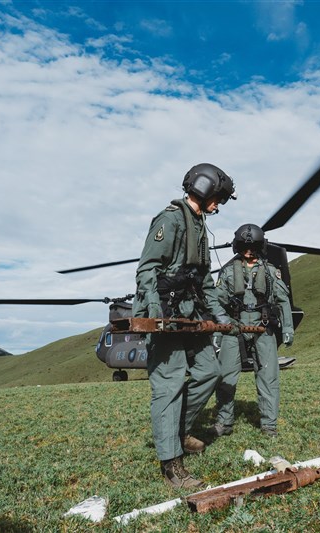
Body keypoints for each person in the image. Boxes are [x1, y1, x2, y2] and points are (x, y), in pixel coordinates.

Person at [133, 163, 237, 489]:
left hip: (189, 314)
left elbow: (203, 278)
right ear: (204, 189)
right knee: (170, 383)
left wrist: (219, 315)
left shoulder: (199, 225)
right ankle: (171, 465)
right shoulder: (170, 220)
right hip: (164, 313)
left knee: (209, 370)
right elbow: (147, 269)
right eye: (217, 197)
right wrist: (155, 313)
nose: (218, 205)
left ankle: (178, 432)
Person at [212, 223, 294, 438]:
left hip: (262, 328)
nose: (249, 251)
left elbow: (283, 300)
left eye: (253, 246)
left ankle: (269, 425)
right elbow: (216, 302)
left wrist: (288, 328)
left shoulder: (270, 272)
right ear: (238, 246)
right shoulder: (228, 271)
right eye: (244, 246)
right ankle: (224, 421)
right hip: (233, 328)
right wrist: (217, 333)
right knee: (226, 377)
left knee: (268, 377)